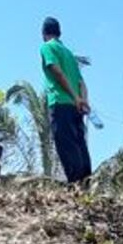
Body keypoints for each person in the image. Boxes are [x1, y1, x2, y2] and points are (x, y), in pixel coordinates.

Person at [39, 17, 92, 184]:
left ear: (44, 33)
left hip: (61, 102)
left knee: (66, 144)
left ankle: (76, 184)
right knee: (79, 143)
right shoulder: (68, 53)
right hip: (76, 107)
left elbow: (57, 71)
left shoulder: (47, 47)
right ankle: (86, 183)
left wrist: (75, 97)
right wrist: (83, 100)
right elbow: (81, 82)